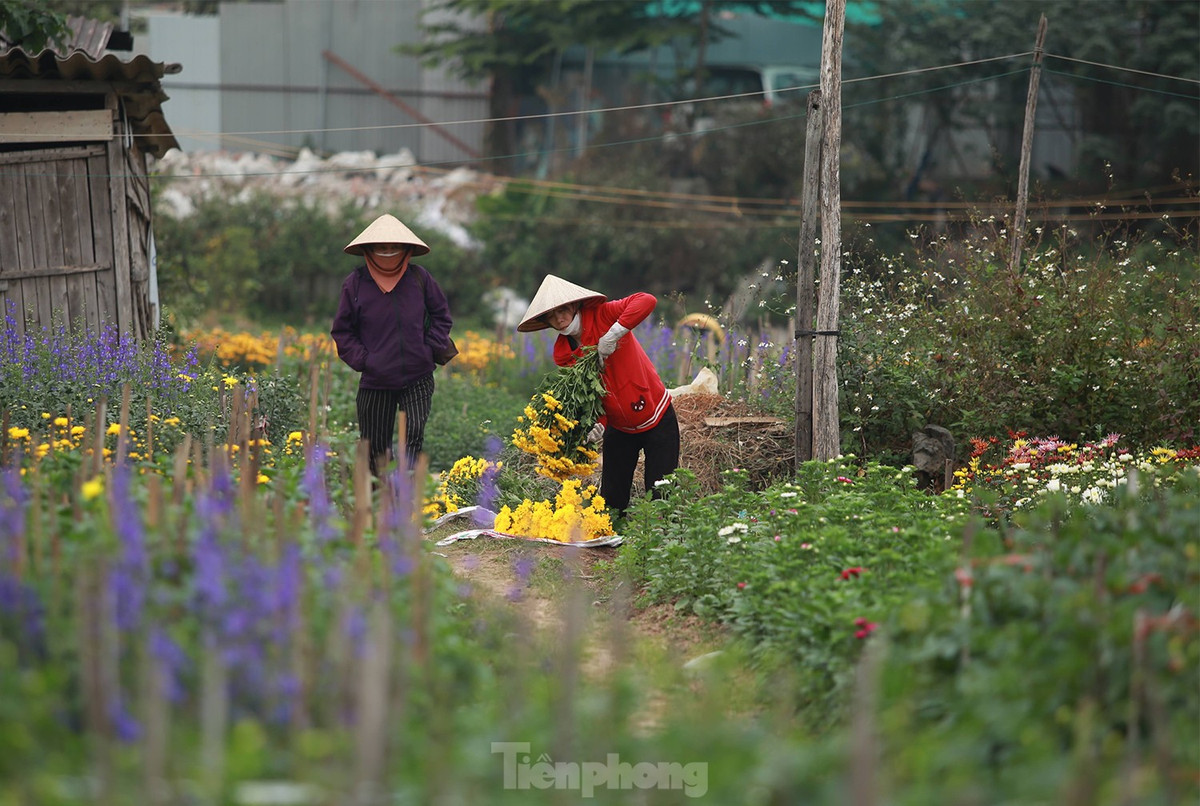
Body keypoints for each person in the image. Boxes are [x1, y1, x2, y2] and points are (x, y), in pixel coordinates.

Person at [518, 274, 680, 516]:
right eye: (552, 315)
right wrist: (599, 424)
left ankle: (661, 549)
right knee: (611, 503)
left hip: (656, 418)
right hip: (620, 428)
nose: (559, 318)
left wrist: (613, 334)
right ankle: (611, 548)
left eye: (562, 310)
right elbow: (589, 393)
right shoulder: (563, 353)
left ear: (574, 305)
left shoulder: (603, 314)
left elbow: (646, 300)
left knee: (662, 497)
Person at [331, 214, 454, 475]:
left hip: (418, 376)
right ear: (369, 250)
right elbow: (342, 331)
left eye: (393, 247)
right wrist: (366, 361)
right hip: (375, 381)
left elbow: (442, 315)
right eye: (381, 248)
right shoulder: (355, 283)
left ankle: (406, 502)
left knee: (411, 440)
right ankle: (378, 508)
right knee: (375, 451)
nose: (387, 253)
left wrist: (428, 349)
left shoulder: (419, 278)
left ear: (406, 250)